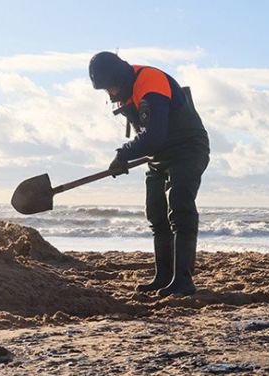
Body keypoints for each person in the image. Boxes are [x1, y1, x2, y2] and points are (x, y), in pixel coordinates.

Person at [88, 51, 210, 296]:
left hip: (187, 149)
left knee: (180, 208)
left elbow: (154, 135)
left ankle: (183, 281)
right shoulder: (126, 91)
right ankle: (163, 277)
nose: (110, 94)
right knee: (156, 213)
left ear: (119, 77)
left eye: (110, 87)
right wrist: (128, 155)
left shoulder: (150, 81)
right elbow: (149, 137)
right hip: (158, 157)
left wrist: (123, 154)